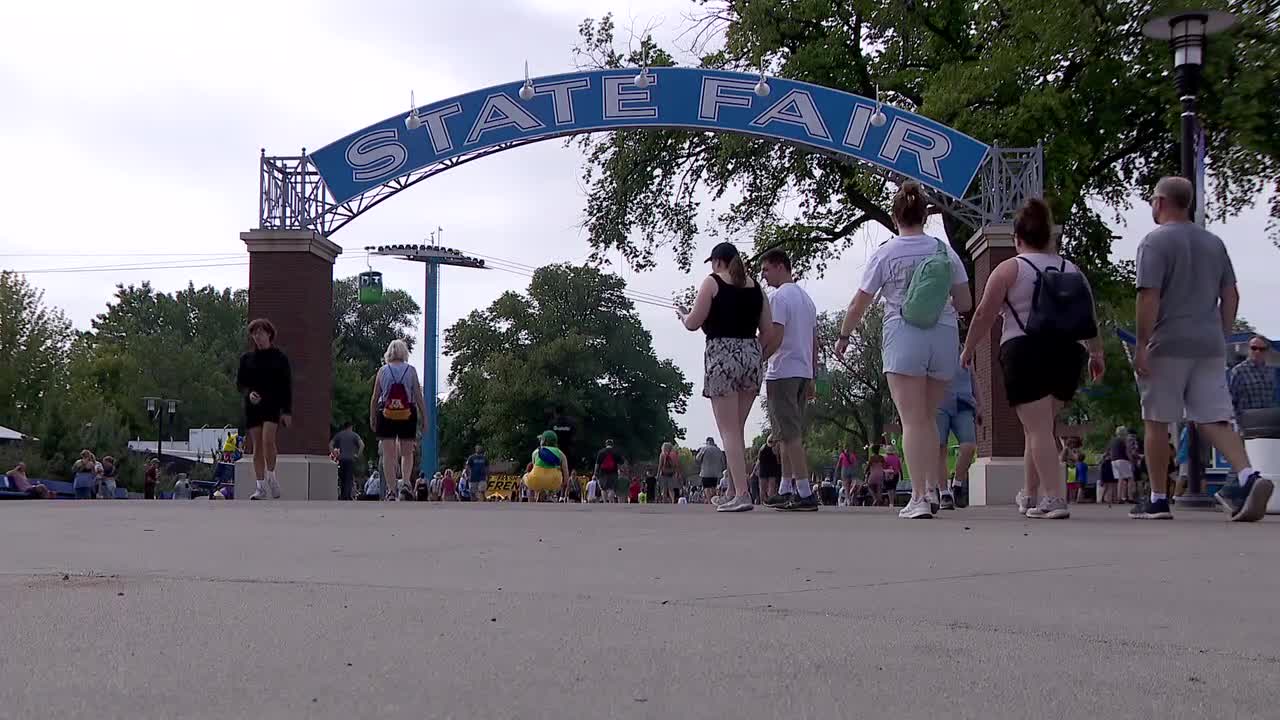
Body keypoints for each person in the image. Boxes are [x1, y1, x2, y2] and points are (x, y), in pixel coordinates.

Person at [1130, 176, 1273, 521]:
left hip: (1167, 343)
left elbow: (1149, 296)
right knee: (1214, 417)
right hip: (1209, 344)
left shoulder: (1154, 242)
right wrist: (1221, 333)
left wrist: (1141, 345)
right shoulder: (1214, 242)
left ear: (1161, 202)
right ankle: (1247, 476)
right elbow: (1232, 293)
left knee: (1156, 419)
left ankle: (1159, 499)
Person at [962, 198, 1104, 520]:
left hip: (1025, 351)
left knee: (1038, 428)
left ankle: (1054, 498)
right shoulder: (1072, 269)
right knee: (1038, 426)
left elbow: (984, 313)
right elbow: (1089, 317)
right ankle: (1029, 495)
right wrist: (1096, 353)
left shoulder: (1011, 268)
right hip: (1067, 354)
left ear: (1017, 237)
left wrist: (968, 349)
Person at [678, 241, 771, 513]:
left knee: (728, 430)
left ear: (717, 261)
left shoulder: (712, 283)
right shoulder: (756, 287)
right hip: (751, 356)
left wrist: (683, 316)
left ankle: (742, 494)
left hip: (722, 355)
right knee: (737, 430)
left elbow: (695, 322)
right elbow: (767, 329)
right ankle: (732, 489)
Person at [759, 248, 820, 512]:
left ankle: (805, 492)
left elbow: (776, 335)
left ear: (780, 266)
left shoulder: (779, 298)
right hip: (802, 370)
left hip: (783, 371)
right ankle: (785, 489)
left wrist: (758, 358)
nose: (763, 276)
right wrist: (813, 374)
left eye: (766, 270)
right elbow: (814, 341)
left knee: (791, 434)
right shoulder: (807, 300)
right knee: (784, 434)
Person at [236, 318, 293, 500]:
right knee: (257, 446)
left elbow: (286, 386)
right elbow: (241, 384)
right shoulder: (246, 359)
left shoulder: (280, 358)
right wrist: (249, 393)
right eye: (254, 334)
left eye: (260, 333)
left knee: (268, 440)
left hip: (273, 403)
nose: (257, 337)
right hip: (253, 406)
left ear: (269, 334)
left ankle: (271, 475)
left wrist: (287, 411)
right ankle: (260, 487)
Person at [369, 339, 427, 502]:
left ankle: (391, 490)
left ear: (389, 353)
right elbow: (418, 395)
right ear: (404, 353)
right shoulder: (411, 371)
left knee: (388, 454)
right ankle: (406, 483)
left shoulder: (382, 371)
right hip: (407, 413)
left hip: (386, 414)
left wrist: (372, 416)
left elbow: (375, 397)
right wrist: (425, 417)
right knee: (407, 452)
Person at [936, 361, 979, 511]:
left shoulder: (964, 351)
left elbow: (974, 379)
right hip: (939, 402)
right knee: (939, 448)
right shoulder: (936, 346)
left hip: (963, 402)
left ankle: (958, 484)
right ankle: (944, 493)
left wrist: (980, 405)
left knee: (969, 446)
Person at [1228, 336, 1275, 418]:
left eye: (1261, 349)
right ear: (1248, 349)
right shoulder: (1239, 371)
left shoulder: (1270, 370)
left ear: (1266, 351)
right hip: (1248, 420)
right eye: (1254, 348)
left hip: (1268, 419)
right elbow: (1232, 399)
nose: (1257, 351)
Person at [330, 421, 364, 501]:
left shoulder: (339, 435)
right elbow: (362, 445)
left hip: (341, 459)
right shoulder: (354, 435)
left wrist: (335, 454)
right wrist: (357, 455)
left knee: (342, 478)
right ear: (350, 427)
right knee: (349, 478)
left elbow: (330, 444)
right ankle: (347, 495)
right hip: (350, 459)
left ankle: (342, 495)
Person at [1108, 427, 1136, 507]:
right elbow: (1127, 451)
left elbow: (1110, 451)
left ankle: (1119, 497)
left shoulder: (1113, 441)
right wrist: (1131, 460)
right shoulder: (1124, 440)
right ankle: (1130, 497)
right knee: (1130, 478)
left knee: (1120, 479)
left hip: (1114, 461)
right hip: (1123, 460)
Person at [693, 437, 727, 503]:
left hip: (705, 472)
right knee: (713, 486)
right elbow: (723, 461)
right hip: (716, 472)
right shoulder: (718, 450)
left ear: (707, 442)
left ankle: (709, 501)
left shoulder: (704, 449)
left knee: (706, 487)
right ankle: (713, 499)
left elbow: (698, 458)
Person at [757, 436, 781, 508]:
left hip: (763, 468)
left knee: (762, 487)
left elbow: (758, 460)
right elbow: (778, 461)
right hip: (772, 468)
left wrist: (755, 470)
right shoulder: (775, 448)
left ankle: (762, 503)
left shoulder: (762, 447)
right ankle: (770, 501)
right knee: (771, 486)